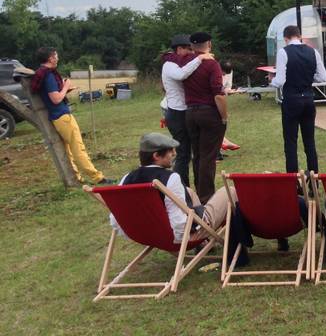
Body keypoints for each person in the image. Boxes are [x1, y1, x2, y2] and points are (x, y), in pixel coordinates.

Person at [108, 133, 232, 242]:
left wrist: (136, 235)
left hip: (147, 235)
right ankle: (236, 246)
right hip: (178, 237)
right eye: (170, 151)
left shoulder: (126, 178)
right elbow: (178, 220)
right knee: (229, 192)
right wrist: (183, 240)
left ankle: (205, 244)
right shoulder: (170, 178)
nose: (174, 153)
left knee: (188, 191)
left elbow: (116, 219)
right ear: (156, 156)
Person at [30, 47, 113, 185]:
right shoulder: (49, 75)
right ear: (50, 58)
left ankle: (77, 178)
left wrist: (65, 89)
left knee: (68, 150)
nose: (58, 58)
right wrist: (65, 86)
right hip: (62, 116)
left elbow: (53, 96)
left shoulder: (43, 74)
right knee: (78, 148)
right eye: (56, 55)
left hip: (57, 117)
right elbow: (56, 99)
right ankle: (97, 178)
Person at [270, 25, 326, 174]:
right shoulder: (313, 51)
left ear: (286, 38)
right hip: (308, 99)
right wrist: (308, 77)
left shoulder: (284, 52)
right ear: (300, 36)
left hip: (292, 100)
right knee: (310, 142)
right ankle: (313, 179)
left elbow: (280, 80)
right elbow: (323, 77)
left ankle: (293, 181)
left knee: (291, 143)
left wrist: (271, 80)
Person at [160, 34, 212, 187]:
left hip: (184, 111)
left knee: (189, 152)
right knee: (183, 153)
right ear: (179, 49)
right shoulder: (169, 64)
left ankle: (189, 186)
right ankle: (182, 188)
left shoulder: (178, 62)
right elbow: (181, 75)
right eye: (188, 49)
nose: (191, 52)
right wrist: (200, 59)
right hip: (176, 113)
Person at [182, 31, 227, 203]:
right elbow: (218, 94)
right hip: (208, 112)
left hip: (190, 112)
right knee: (209, 157)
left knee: (198, 155)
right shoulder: (211, 64)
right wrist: (224, 117)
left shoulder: (185, 62)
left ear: (192, 46)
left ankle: (198, 193)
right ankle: (206, 198)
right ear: (209, 44)